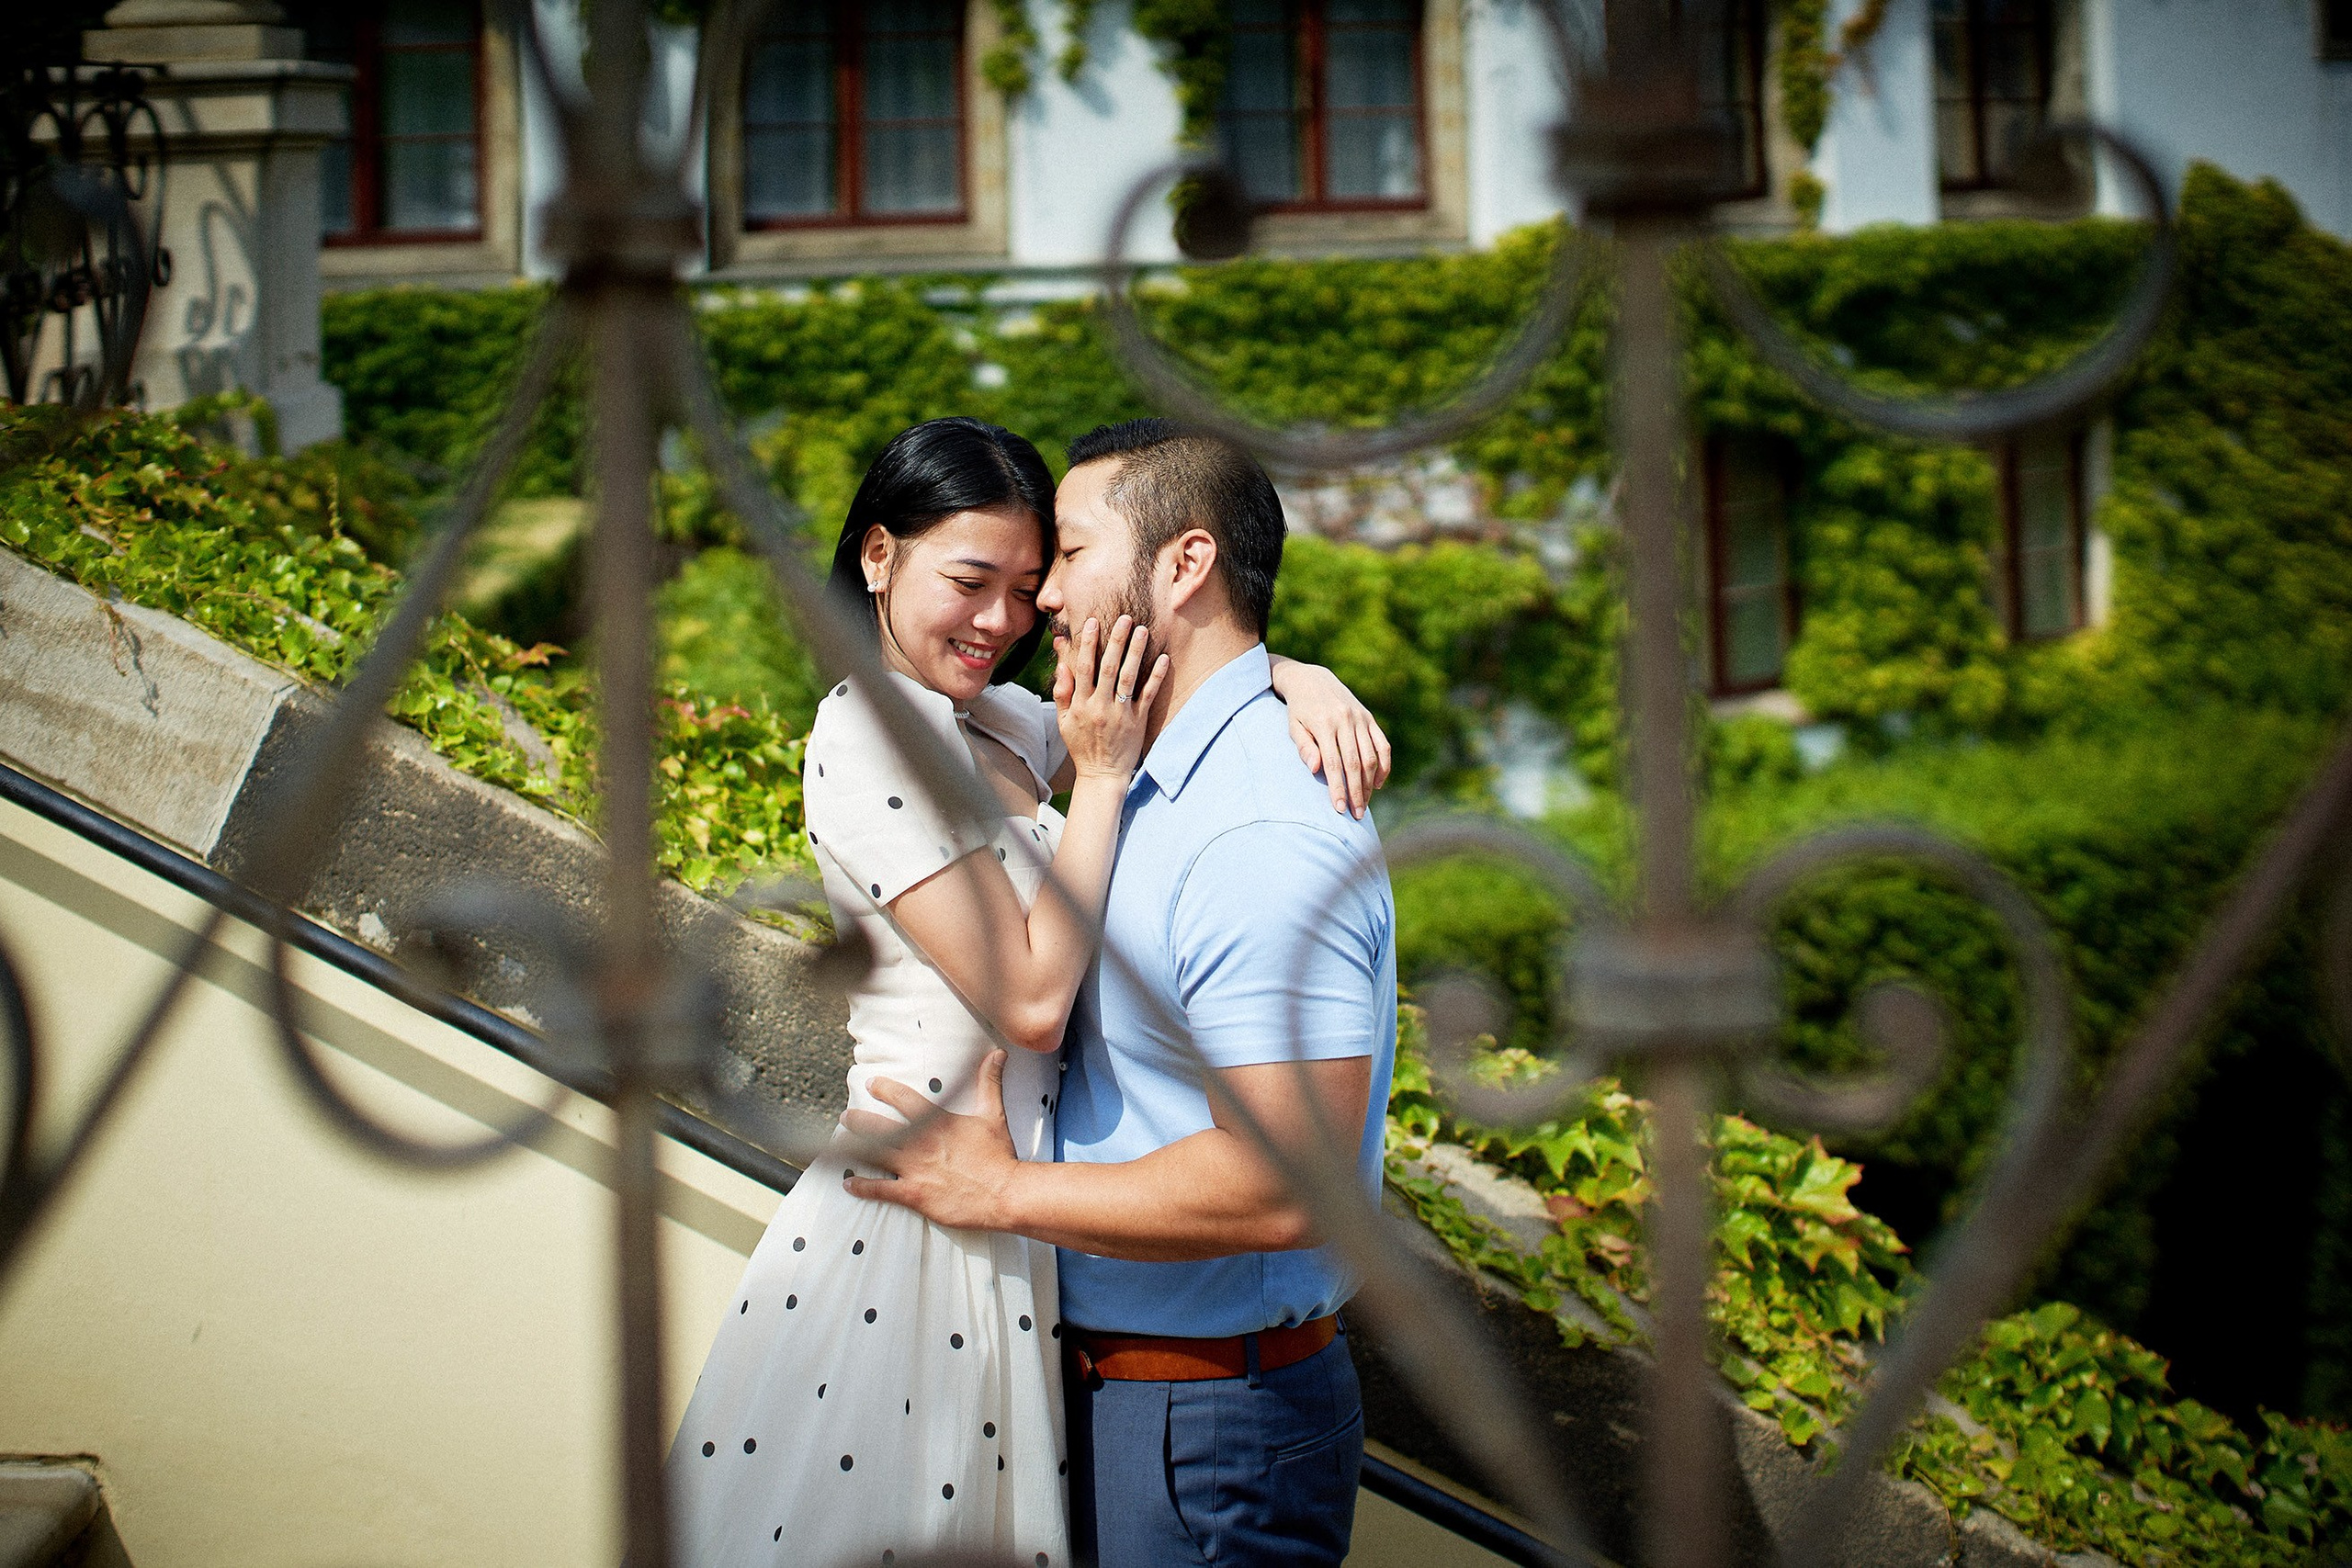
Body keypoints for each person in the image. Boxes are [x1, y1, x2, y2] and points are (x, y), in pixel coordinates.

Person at [665, 417, 1390, 1568]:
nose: (1013, 615)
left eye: (1035, 574)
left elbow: (1194, 683)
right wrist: (1099, 776)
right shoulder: (866, 738)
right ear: (876, 556)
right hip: (942, 1207)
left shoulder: (998, 723)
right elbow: (1032, 1003)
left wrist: (1291, 675)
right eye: (973, 581)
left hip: (1031, 1230)